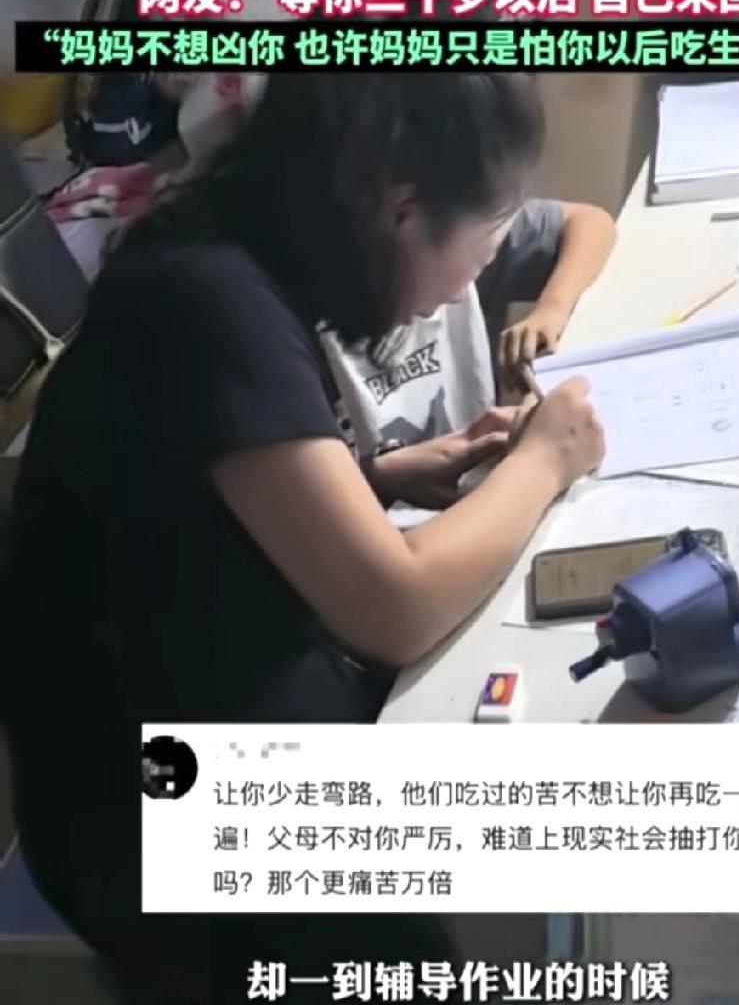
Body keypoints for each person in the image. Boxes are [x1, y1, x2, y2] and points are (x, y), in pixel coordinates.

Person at [4, 73, 605, 1003]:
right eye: (482, 248)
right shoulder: (208, 300)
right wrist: (545, 459)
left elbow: (190, 494)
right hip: (157, 823)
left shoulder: (238, 249)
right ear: (403, 212)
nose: (469, 284)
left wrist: (371, 479)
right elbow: (395, 608)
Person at [320, 197, 616, 498]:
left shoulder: (460, 228)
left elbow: (592, 223)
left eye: (483, 263)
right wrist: (540, 462)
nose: (457, 297)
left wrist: (552, 308)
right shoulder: (300, 334)